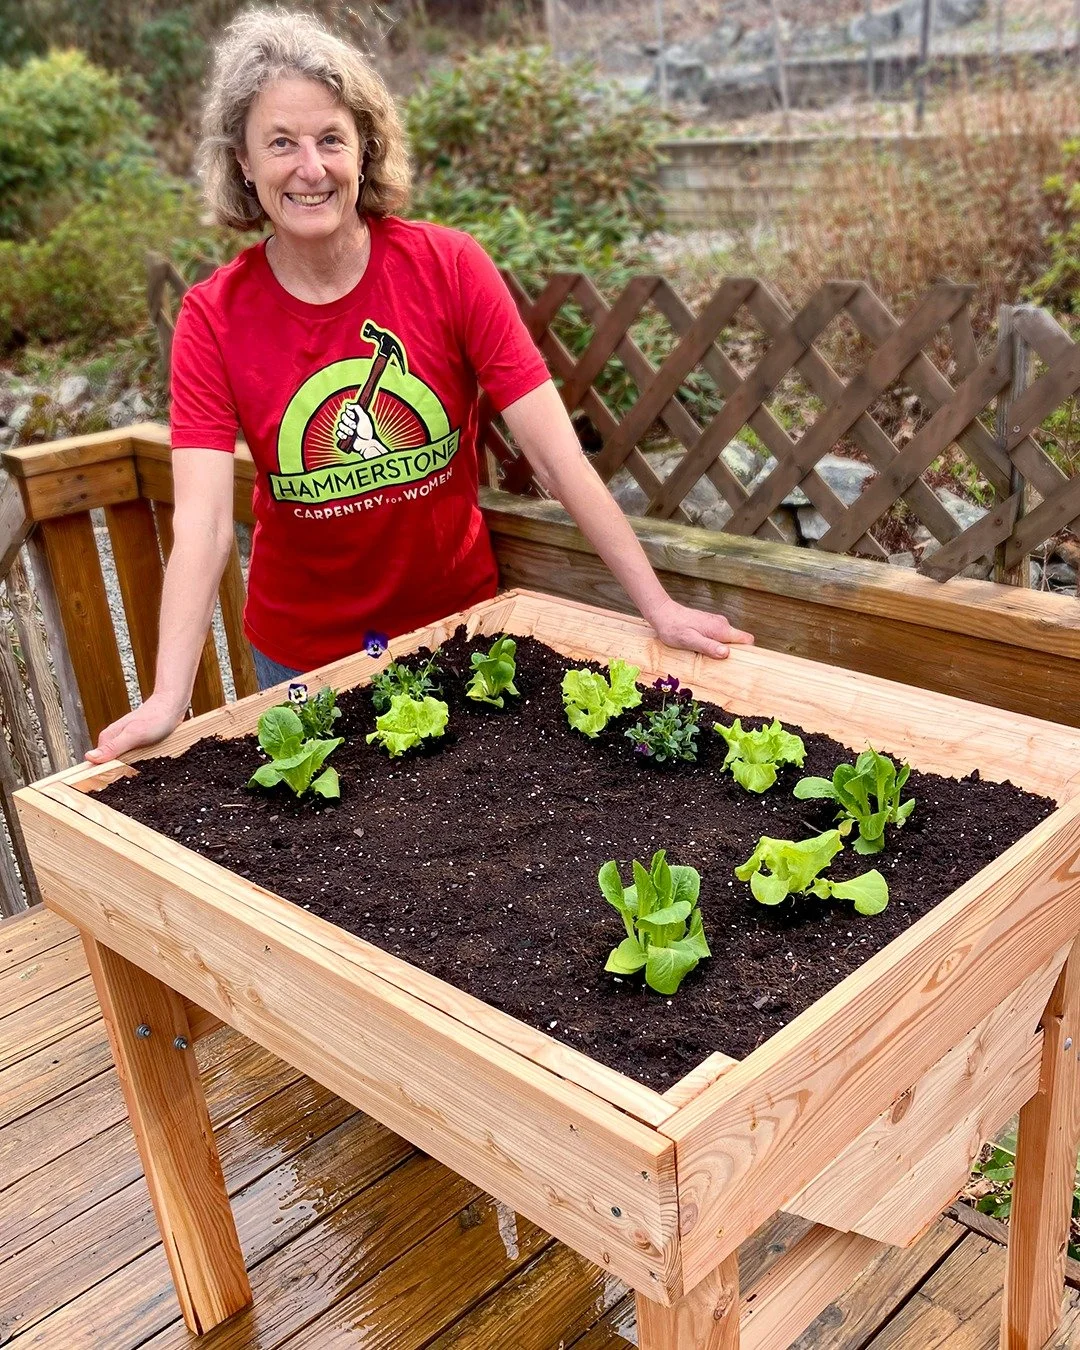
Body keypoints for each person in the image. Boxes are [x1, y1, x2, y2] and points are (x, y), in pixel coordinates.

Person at [87, 8, 752, 765]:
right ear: (242, 162)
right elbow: (204, 526)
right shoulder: (214, 317)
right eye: (281, 143)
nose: (311, 167)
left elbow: (555, 452)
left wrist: (656, 604)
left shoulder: (449, 267)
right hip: (308, 663)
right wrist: (170, 694)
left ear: (365, 149)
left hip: (460, 636)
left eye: (331, 139)